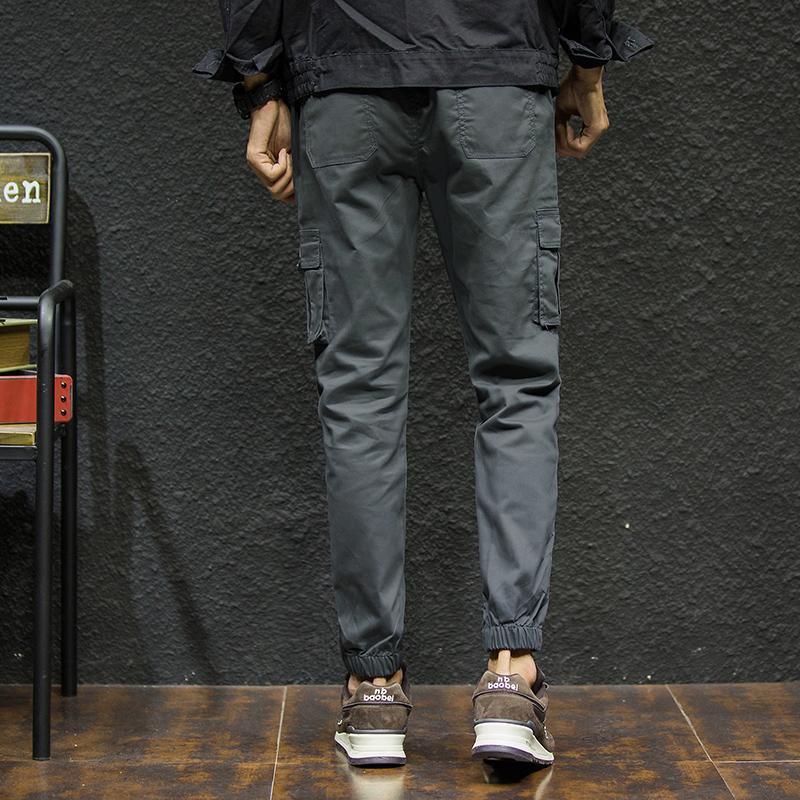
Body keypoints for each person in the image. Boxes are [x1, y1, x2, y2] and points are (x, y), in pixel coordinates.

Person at [194, 0, 653, 768]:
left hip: (345, 76)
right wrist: (588, 60)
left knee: (359, 392)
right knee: (515, 379)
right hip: (496, 66)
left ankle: (373, 691)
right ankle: (510, 679)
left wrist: (260, 84)